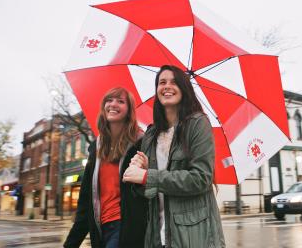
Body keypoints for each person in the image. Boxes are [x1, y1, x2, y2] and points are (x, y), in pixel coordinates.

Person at [123, 65, 226, 248]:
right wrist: (141, 173)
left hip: (192, 235)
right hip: (158, 234)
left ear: (184, 89)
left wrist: (148, 176)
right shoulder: (151, 133)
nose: (167, 86)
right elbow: (148, 193)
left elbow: (201, 178)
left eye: (174, 82)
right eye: (162, 82)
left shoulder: (197, 124)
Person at [64, 87, 147, 248]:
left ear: (129, 110)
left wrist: (145, 170)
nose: (113, 104)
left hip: (126, 227)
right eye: (109, 100)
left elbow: (148, 192)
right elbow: (86, 199)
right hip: (100, 228)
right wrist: (71, 244)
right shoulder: (97, 147)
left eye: (121, 101)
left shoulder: (140, 143)